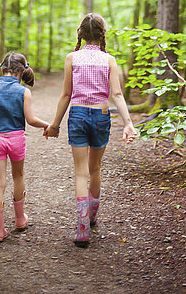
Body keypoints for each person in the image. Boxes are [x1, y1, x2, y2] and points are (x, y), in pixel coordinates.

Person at [44, 13, 137, 248]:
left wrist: (55, 125)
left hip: (77, 115)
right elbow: (116, 94)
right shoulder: (109, 60)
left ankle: (82, 226)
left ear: (81, 34)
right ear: (102, 34)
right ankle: (92, 216)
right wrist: (128, 122)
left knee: (80, 173)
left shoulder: (71, 58)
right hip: (101, 116)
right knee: (95, 169)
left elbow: (66, 95)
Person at [0, 52, 49, 242]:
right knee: (18, 176)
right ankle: (20, 220)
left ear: (2, 69)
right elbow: (30, 120)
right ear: (22, 72)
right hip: (16, 140)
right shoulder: (24, 92)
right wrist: (48, 125)